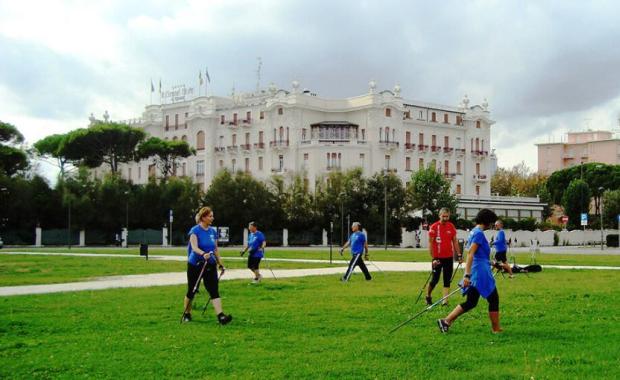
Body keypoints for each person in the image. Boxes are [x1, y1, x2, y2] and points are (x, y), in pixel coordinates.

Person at [437, 208, 503, 334]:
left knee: (471, 302)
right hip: (479, 273)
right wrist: (467, 276)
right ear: (487, 221)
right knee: (493, 299)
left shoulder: (474, 231)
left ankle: (446, 321)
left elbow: (479, 255)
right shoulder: (478, 234)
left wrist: (493, 263)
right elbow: (471, 254)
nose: (492, 225)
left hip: (478, 269)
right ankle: (496, 329)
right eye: (491, 222)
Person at [182, 206, 232, 325]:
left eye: (212, 216)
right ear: (203, 217)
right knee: (192, 290)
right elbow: (194, 247)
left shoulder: (212, 231)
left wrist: (220, 264)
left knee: (214, 290)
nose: (212, 218)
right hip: (196, 264)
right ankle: (187, 314)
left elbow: (215, 249)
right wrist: (203, 253)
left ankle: (221, 316)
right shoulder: (195, 230)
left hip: (210, 264)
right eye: (210, 216)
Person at [426, 208, 462, 306]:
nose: (445, 218)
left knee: (447, 279)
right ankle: (428, 296)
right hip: (437, 258)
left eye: (447, 216)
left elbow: (455, 241)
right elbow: (430, 243)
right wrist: (434, 258)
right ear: (439, 215)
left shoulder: (451, 226)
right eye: (443, 216)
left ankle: (445, 301)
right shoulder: (434, 227)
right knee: (435, 280)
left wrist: (459, 255)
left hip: (448, 257)